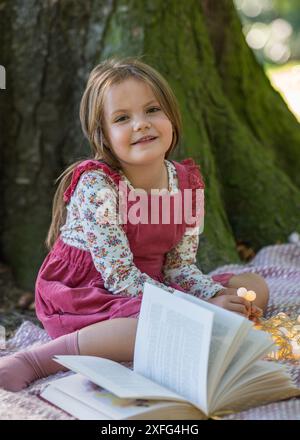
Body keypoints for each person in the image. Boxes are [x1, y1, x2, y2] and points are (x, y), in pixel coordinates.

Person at [0, 57, 269, 392]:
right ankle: (37, 359)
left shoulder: (186, 184)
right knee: (144, 326)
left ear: (172, 117)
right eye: (123, 118)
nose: (141, 124)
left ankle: (202, 325)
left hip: (152, 285)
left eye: (153, 110)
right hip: (90, 292)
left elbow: (179, 267)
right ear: (104, 136)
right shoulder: (98, 187)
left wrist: (214, 296)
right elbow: (120, 277)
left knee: (252, 287)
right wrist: (202, 309)